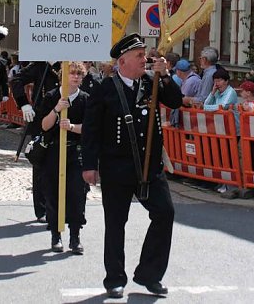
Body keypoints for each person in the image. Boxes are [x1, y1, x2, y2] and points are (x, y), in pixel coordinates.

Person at [82, 33, 183, 299]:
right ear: (122, 61)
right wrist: (89, 165)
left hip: (150, 167)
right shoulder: (105, 89)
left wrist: (167, 75)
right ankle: (114, 279)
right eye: (139, 56)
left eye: (144, 55)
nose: (145, 60)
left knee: (165, 213)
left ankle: (150, 274)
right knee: (116, 224)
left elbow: (175, 101)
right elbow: (91, 130)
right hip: (117, 168)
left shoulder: (153, 81)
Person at [36, 61, 89, 254]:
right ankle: (56, 235)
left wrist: (72, 127)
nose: (75, 77)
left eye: (79, 74)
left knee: (76, 194)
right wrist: (56, 109)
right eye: (72, 74)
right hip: (53, 152)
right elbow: (43, 125)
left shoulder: (84, 99)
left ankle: (75, 237)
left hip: (76, 152)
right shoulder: (51, 96)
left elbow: (90, 129)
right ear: (63, 76)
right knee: (53, 195)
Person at [11, 60, 60, 222]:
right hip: (42, 119)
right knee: (41, 164)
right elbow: (16, 80)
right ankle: (42, 208)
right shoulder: (41, 66)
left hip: (67, 119)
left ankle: (63, 206)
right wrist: (24, 104)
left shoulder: (70, 64)